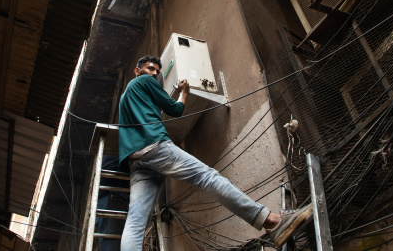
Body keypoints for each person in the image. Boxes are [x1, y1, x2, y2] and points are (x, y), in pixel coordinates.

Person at [118, 55, 312, 250]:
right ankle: (272, 221)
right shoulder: (144, 81)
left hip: (136, 161)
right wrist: (184, 92)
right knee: (207, 177)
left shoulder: (126, 97)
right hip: (154, 147)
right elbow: (175, 109)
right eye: (150, 69)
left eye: (157, 71)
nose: (154, 74)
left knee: (135, 221)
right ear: (137, 71)